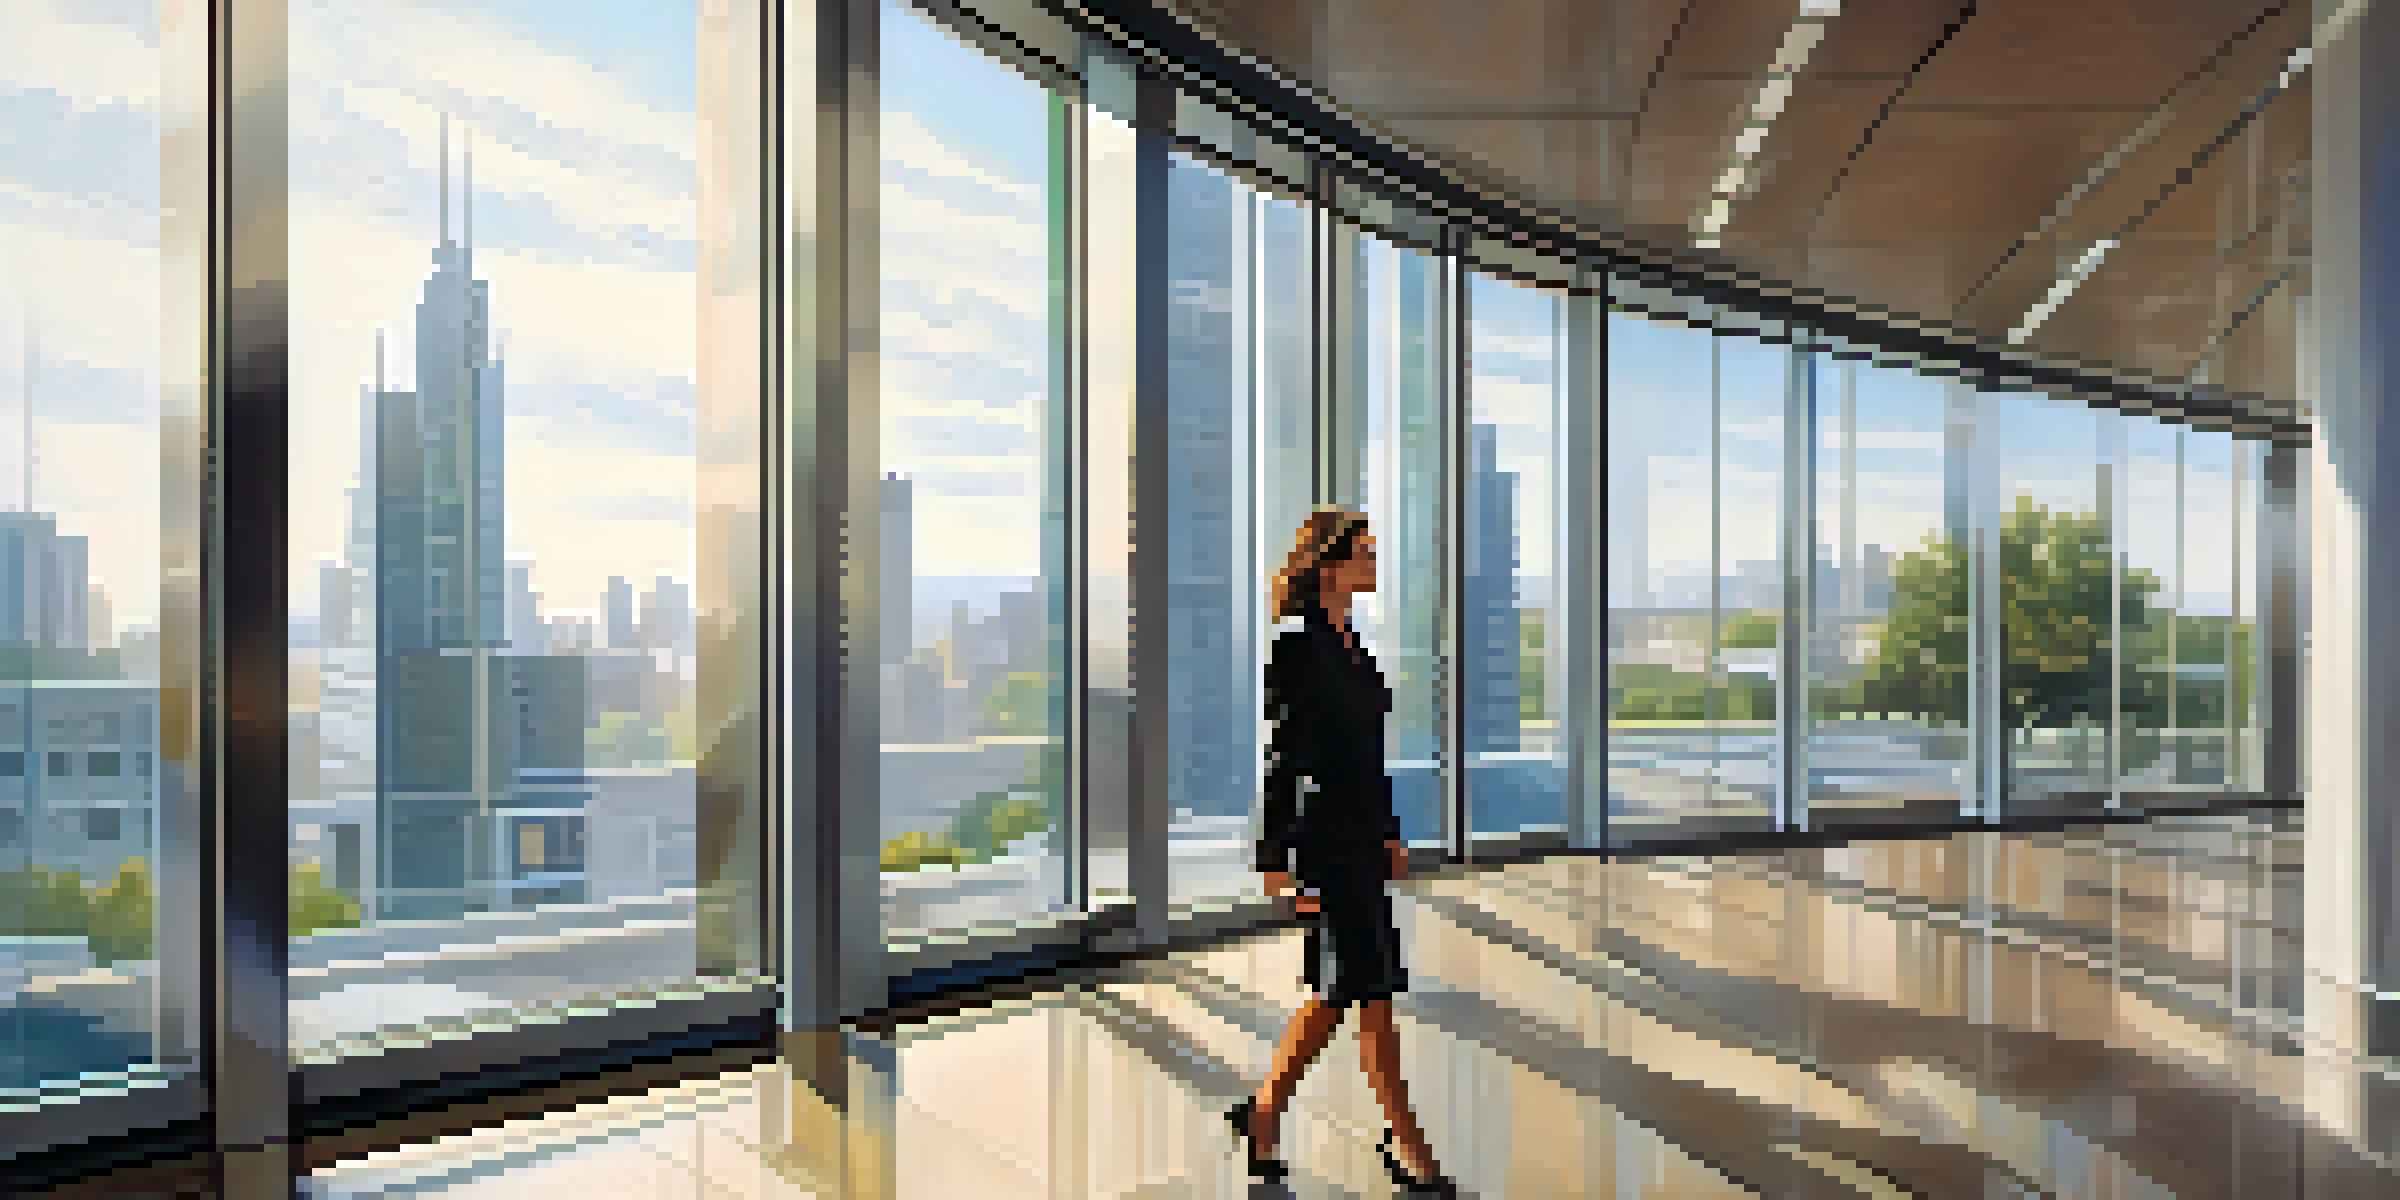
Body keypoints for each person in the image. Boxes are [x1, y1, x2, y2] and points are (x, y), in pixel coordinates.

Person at [1224, 507, 1457, 1196]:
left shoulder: (1352, 640)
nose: (1374, 563)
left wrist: (1388, 829)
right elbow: (1284, 756)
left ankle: (1264, 1112)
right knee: (1366, 988)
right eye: (1365, 552)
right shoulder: (1297, 645)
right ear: (1330, 566)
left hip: (1360, 836)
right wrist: (1275, 857)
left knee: (1346, 989)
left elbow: (1368, 753)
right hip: (1323, 839)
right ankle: (1405, 1139)